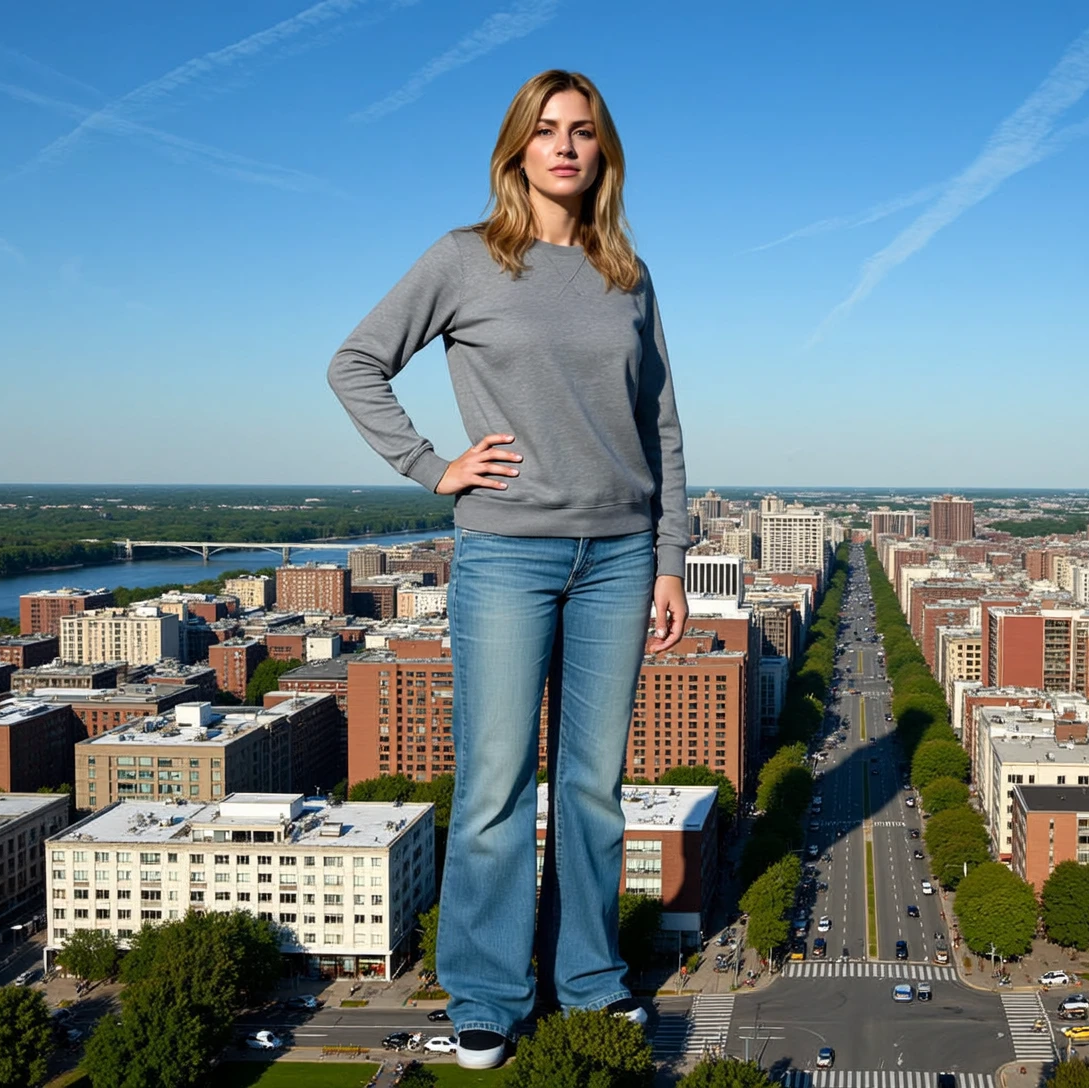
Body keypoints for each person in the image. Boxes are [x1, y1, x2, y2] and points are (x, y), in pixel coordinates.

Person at [328, 69, 689, 1070]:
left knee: (593, 785)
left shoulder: (629, 272)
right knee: (494, 780)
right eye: (546, 130)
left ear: (602, 151)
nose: (565, 146)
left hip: (620, 554)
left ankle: (589, 980)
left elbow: (661, 422)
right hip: (507, 552)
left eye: (582, 131)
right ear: (516, 149)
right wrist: (430, 464)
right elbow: (355, 362)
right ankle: (486, 991)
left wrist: (669, 558)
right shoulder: (464, 259)